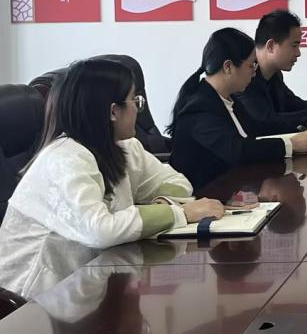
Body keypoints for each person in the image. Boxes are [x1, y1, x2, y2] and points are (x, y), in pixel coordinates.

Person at [0, 59, 224, 299]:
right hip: (30, 299)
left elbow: (179, 184)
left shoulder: (125, 147)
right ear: (113, 111)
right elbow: (100, 230)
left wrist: (161, 204)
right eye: (135, 101)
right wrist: (180, 213)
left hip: (86, 283)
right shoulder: (65, 158)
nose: (138, 109)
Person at [169, 28, 307, 191]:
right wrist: (291, 145)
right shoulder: (200, 108)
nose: (254, 73)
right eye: (251, 66)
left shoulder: (227, 99)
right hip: (201, 195)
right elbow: (238, 150)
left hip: (231, 186)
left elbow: (260, 126)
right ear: (228, 67)